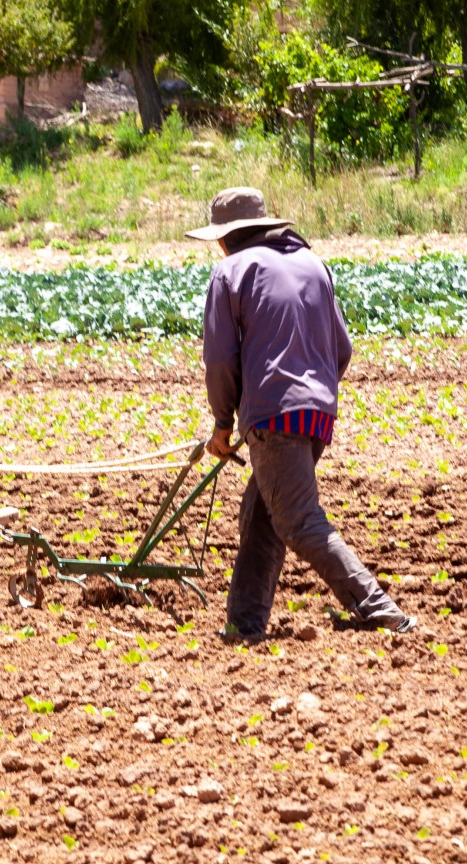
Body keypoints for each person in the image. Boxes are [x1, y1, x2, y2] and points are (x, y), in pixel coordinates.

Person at [186, 187, 416, 637]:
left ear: (226, 238)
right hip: (317, 414)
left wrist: (222, 423)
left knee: (298, 520)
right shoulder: (313, 264)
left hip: (275, 415)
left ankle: (379, 608)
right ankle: (244, 624)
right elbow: (342, 349)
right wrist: (312, 394)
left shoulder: (230, 271)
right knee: (263, 510)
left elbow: (219, 360)